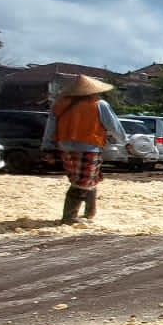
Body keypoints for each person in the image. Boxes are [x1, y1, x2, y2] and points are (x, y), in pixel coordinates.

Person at [40, 74, 132, 225]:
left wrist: (47, 148)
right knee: (83, 181)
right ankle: (70, 217)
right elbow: (114, 126)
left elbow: (50, 129)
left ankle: (90, 212)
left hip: (65, 147)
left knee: (86, 179)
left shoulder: (59, 105)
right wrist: (125, 141)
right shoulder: (99, 104)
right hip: (89, 146)